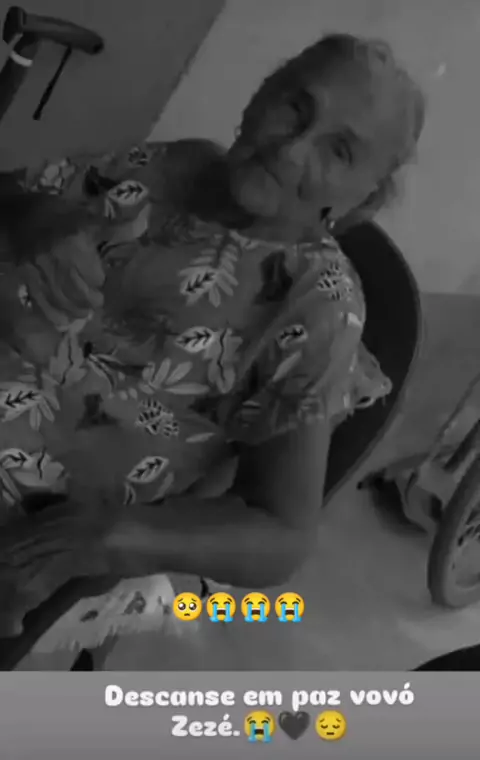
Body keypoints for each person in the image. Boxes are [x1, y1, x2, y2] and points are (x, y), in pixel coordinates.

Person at [0, 33, 425, 656]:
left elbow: (281, 533)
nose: (290, 149)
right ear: (261, 94)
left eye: (338, 150)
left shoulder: (317, 305)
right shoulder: (171, 167)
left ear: (365, 197)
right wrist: (30, 214)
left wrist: (117, 537)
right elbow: (11, 190)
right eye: (294, 107)